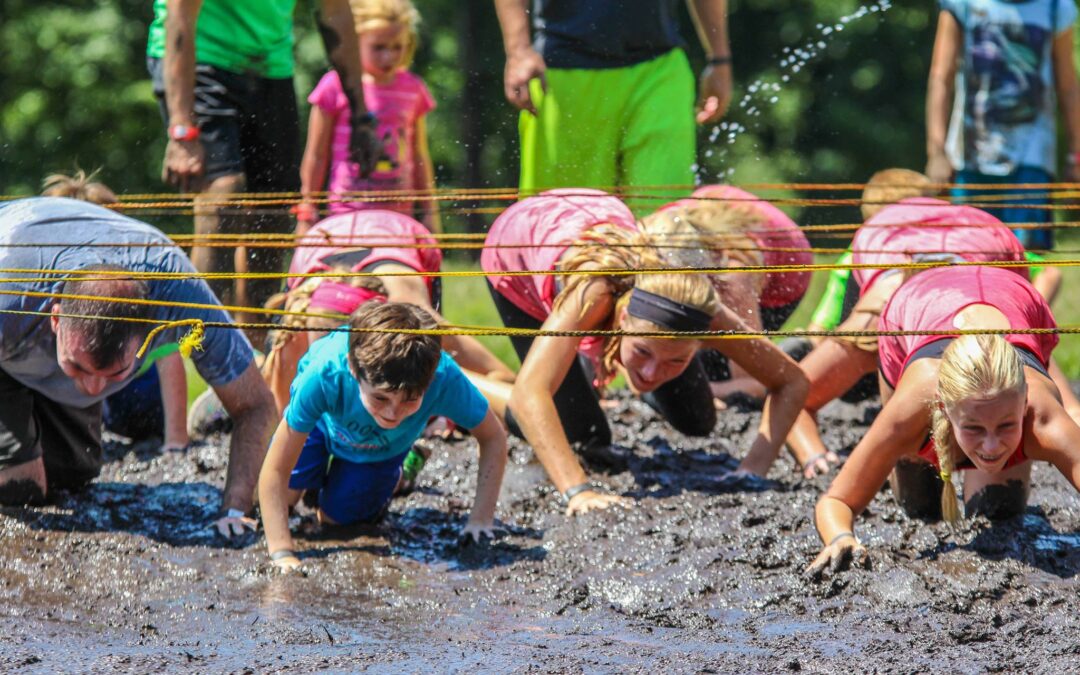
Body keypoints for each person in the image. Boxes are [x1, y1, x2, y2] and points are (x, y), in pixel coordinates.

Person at [480, 189, 808, 515]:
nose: (650, 374)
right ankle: (467, 380)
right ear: (623, 320)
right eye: (642, 352)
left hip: (601, 232)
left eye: (676, 359)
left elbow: (792, 381)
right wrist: (578, 491)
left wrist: (752, 470)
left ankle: (594, 358)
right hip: (521, 244)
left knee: (697, 419)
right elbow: (531, 395)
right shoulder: (592, 292)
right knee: (580, 435)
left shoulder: (705, 309)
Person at [0, 198, 276, 538]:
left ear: (153, 334)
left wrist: (235, 508)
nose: (92, 390)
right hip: (10, 319)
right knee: (20, 487)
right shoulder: (9, 297)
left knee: (71, 476)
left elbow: (256, 404)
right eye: (77, 367)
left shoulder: (181, 300)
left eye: (115, 374)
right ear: (55, 318)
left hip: (31, 343)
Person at [807, 266, 1080, 577]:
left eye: (1006, 425)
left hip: (1012, 295)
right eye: (974, 428)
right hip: (917, 301)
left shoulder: (1042, 418)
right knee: (918, 506)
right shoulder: (911, 412)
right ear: (944, 409)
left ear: (1024, 405)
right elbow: (838, 499)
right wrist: (840, 538)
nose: (991, 446)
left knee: (1001, 509)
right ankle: (897, 462)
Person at [146, 0, 380, 324]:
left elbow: (337, 14)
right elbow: (180, 17)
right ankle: (208, 338)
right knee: (224, 195)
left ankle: (259, 338)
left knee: (273, 210)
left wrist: (360, 116)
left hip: (270, 67)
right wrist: (183, 129)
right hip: (197, 59)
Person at [258, 302, 508, 570]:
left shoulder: (444, 379)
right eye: (380, 397)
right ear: (354, 371)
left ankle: (401, 474)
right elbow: (275, 469)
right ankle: (319, 477)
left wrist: (480, 520)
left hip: (381, 448)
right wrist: (282, 553)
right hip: (321, 423)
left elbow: (493, 436)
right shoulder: (325, 374)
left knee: (336, 522)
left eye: (410, 400)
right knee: (280, 503)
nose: (392, 412)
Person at [263, 209, 515, 414]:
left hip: (397, 234)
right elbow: (273, 417)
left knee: (428, 370)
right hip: (324, 237)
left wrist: (452, 384)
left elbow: (502, 376)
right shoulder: (298, 327)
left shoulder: (412, 316)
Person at [494, 0, 733, 194]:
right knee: (566, 229)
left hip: (660, 69)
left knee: (666, 225)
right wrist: (518, 51)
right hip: (563, 77)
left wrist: (719, 59)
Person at [41, 171, 190, 452]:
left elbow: (169, 360)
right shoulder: (54, 292)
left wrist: (176, 441)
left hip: (144, 401)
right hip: (104, 413)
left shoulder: (132, 292)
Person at [926, 0, 1080, 249]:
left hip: (1032, 158)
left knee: (1027, 256)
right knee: (966, 255)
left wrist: (1076, 155)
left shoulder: (1055, 7)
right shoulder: (963, 4)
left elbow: (1069, 87)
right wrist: (936, 152)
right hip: (969, 158)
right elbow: (940, 77)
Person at [643, 184, 812, 403]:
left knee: (713, 364)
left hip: (790, 266)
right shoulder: (651, 240)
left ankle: (797, 354)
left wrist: (702, 393)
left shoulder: (733, 279)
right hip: (716, 209)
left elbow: (756, 384)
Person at [297, 0, 439, 235]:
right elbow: (316, 155)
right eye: (378, 47)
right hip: (346, 217)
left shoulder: (413, 89)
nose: (388, 56)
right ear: (354, 42)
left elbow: (419, 155)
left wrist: (429, 212)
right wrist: (307, 210)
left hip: (398, 221)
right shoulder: (334, 87)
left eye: (397, 47)